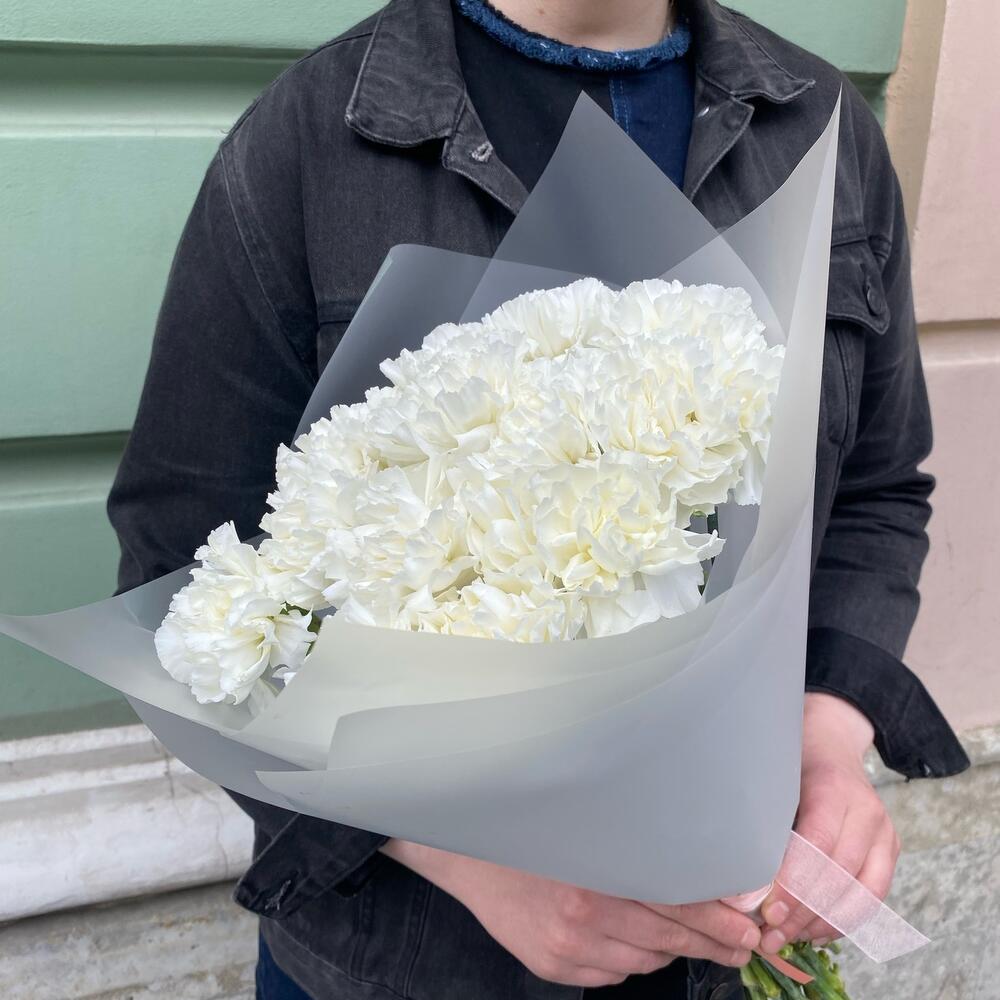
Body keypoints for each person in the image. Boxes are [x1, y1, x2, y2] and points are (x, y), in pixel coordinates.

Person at [107, 0, 970, 997]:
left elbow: (874, 489)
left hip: (721, 946)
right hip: (409, 964)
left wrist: (828, 739)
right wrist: (453, 854)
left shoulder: (821, 127)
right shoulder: (310, 143)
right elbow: (183, 579)